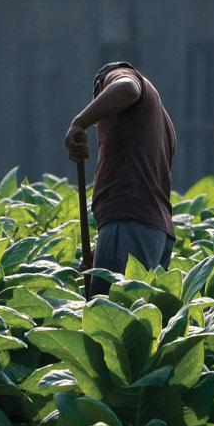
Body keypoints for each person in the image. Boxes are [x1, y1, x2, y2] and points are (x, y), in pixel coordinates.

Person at [64, 61, 177, 296]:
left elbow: (127, 88)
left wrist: (80, 122)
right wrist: (104, 249)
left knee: (109, 320)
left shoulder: (121, 78)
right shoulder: (163, 124)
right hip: (154, 232)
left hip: (129, 221)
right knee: (136, 321)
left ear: (100, 88)